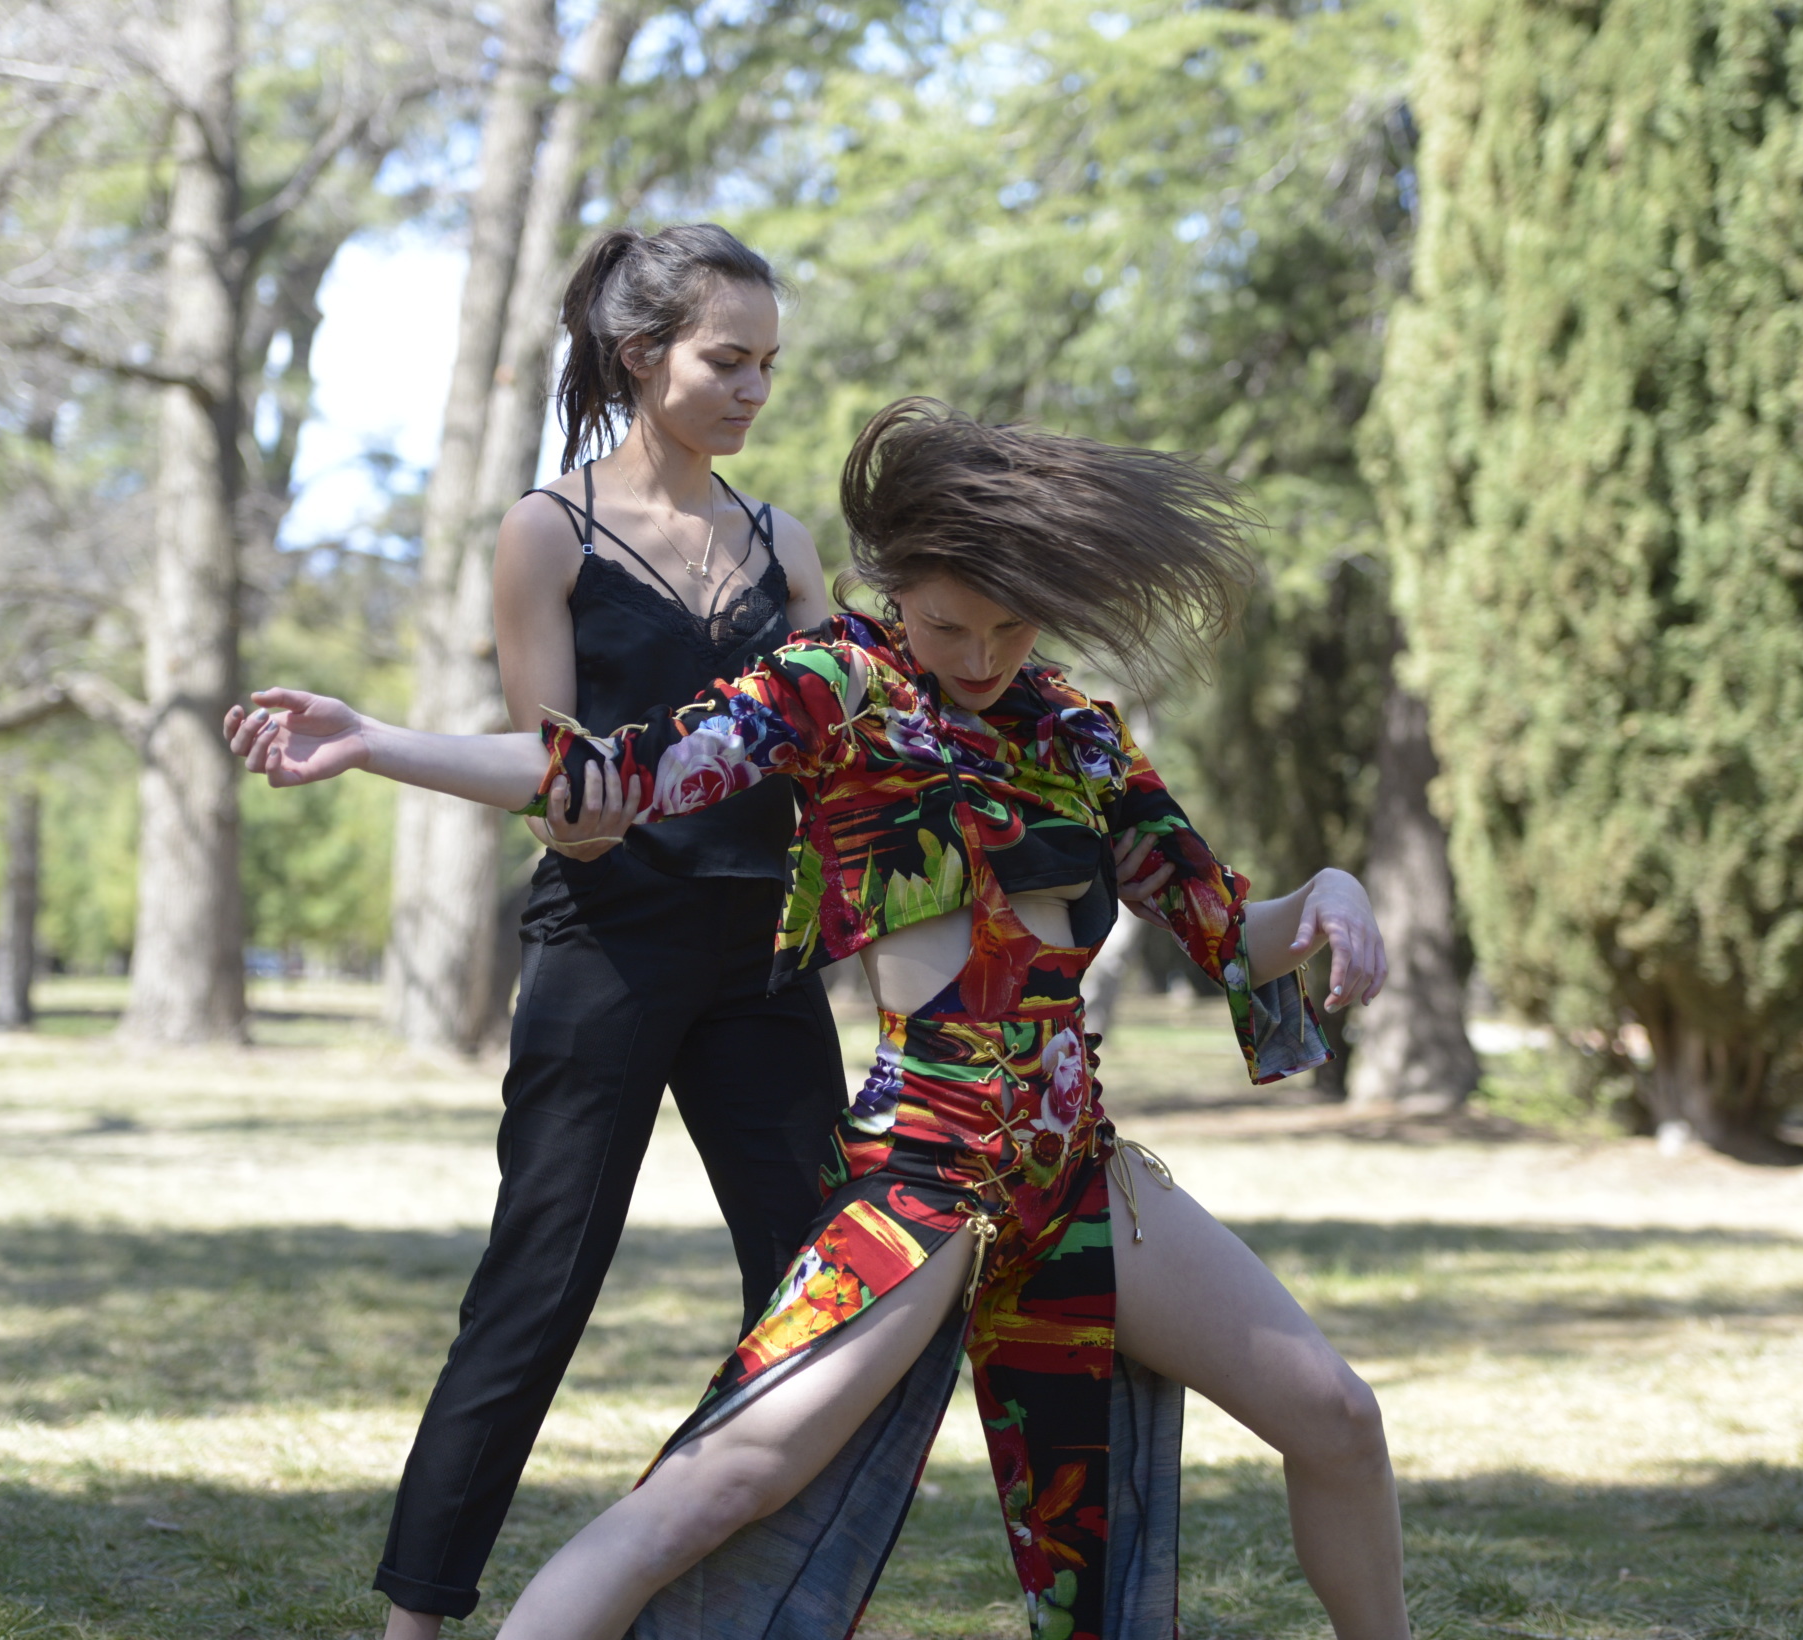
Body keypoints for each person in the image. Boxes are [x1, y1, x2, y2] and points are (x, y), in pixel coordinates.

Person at [228, 399, 1408, 1640]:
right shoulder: (831, 686)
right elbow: (610, 774)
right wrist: (373, 743)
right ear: (892, 588)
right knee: (717, 1484)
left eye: (1010, 626)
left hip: (1077, 1174)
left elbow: (1222, 920)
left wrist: (1327, 896)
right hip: (921, 1182)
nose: (981, 653)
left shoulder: (1071, 730)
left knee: (1336, 1415)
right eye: (950, 622)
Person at [363, 224, 851, 1638]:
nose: (757, 387)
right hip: (607, 948)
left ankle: (775, 1590)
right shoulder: (548, 531)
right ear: (645, 358)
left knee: (822, 1294)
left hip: (765, 959)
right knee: (536, 1290)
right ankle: (417, 1621)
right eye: (727, 358)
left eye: (770, 362)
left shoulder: (785, 544)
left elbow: (841, 750)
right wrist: (568, 814)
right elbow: (555, 770)